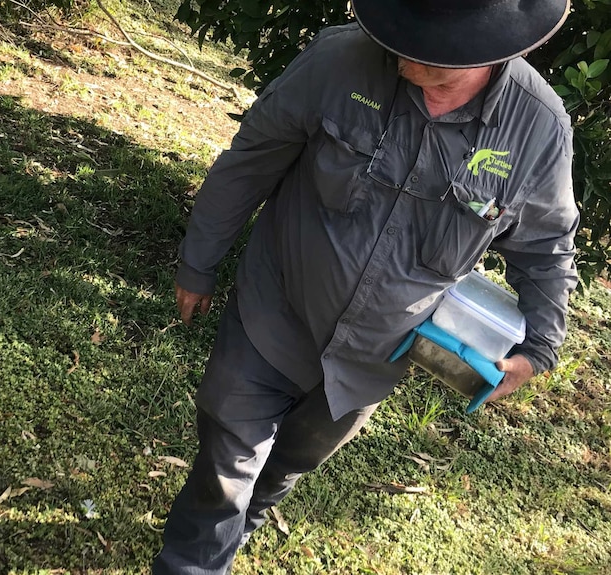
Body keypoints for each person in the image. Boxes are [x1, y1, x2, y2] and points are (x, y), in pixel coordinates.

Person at [152, 1, 580, 573]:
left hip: (370, 362)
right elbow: (250, 160)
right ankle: (195, 560)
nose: (398, 51)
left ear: (485, 53)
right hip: (273, 313)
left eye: (423, 48)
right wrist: (198, 262)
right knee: (227, 467)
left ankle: (241, 528)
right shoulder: (339, 58)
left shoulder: (538, 129)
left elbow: (546, 248)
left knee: (283, 471)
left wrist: (540, 349)